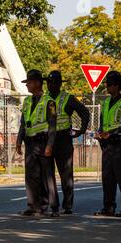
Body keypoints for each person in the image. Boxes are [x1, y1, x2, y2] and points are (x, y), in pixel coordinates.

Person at [16, 69, 60, 217]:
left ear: (36, 83)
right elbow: (23, 123)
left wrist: (50, 145)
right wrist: (18, 140)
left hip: (43, 142)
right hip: (30, 144)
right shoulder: (27, 101)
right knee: (31, 177)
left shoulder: (49, 102)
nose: (27, 85)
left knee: (47, 176)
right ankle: (34, 206)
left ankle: (54, 207)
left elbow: (53, 125)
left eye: (28, 82)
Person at [46, 70, 90, 214]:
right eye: (49, 82)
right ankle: (53, 205)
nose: (51, 85)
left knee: (66, 174)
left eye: (54, 83)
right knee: (48, 175)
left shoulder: (68, 98)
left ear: (59, 84)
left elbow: (84, 112)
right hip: (46, 139)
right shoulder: (43, 98)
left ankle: (67, 205)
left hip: (63, 139)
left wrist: (81, 130)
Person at [94, 71, 121, 217]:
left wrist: (112, 133)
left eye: (110, 84)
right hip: (106, 146)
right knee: (107, 178)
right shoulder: (104, 103)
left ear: (117, 86)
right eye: (106, 84)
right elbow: (102, 124)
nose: (107, 87)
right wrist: (99, 133)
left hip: (119, 144)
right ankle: (108, 207)